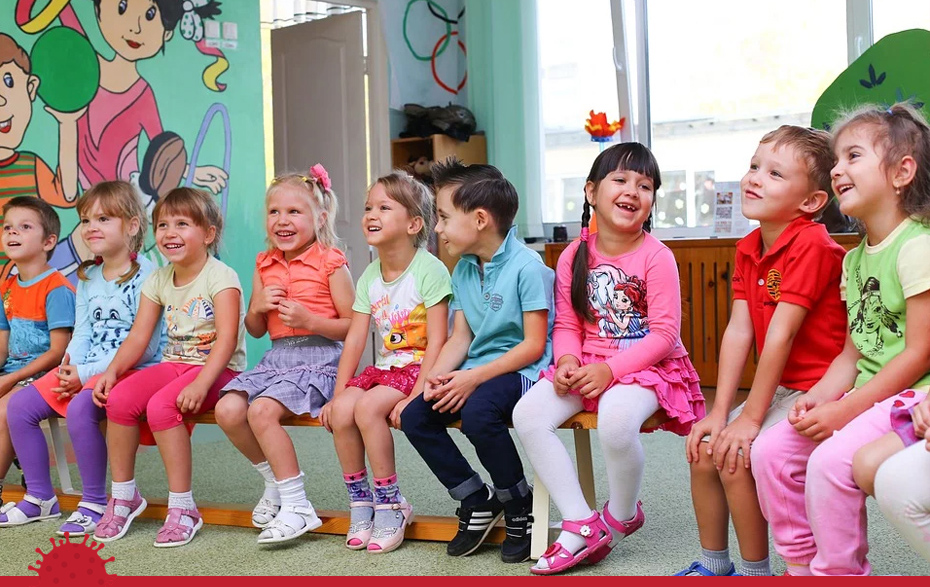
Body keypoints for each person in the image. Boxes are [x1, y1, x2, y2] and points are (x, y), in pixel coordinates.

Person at [752, 102, 930, 576]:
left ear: (901, 172)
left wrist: (846, 411)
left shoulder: (917, 246)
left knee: (830, 463)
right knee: (770, 451)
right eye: (835, 160)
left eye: (853, 156)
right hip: (867, 395)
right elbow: (852, 355)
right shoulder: (853, 261)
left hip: (912, 394)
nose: (836, 170)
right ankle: (800, 566)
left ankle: (839, 574)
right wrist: (818, 399)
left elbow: (918, 354)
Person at [513, 142, 704, 575]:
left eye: (645, 185)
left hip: (647, 366)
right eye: (620, 180)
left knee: (617, 422)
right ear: (591, 192)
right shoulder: (573, 255)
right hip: (587, 361)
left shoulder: (657, 256)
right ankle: (581, 521)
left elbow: (664, 335)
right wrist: (566, 361)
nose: (632, 190)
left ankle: (621, 514)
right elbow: (568, 324)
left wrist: (610, 370)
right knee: (528, 414)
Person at [676, 127, 847, 577]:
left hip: (820, 391)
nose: (754, 177)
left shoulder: (813, 244)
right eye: (754, 166)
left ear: (811, 201)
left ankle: (757, 573)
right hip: (782, 387)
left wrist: (750, 419)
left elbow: (781, 335)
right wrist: (719, 412)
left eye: (775, 173)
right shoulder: (749, 246)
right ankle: (715, 565)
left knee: (735, 456)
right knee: (705, 449)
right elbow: (739, 330)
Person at [400, 159, 554, 564]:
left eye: (444, 217)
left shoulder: (528, 268)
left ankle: (518, 503)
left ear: (480, 219)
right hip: (477, 371)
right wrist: (434, 380)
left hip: (523, 372)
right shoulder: (464, 269)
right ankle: (475, 498)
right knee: (416, 416)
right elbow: (461, 339)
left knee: (479, 413)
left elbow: (533, 346)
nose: (438, 228)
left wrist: (472, 379)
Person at [0, 181, 163, 533]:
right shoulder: (87, 276)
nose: (91, 228)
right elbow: (83, 331)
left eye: (103, 219)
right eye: (86, 220)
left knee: (79, 409)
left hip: (131, 369)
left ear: (132, 225)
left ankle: (94, 501)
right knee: (20, 406)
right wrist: (68, 367)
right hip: (86, 368)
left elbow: (145, 346)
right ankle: (40, 497)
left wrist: (85, 373)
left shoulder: (149, 275)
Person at [91, 187, 246, 547]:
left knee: (163, 405)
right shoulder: (159, 278)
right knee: (119, 399)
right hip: (176, 364)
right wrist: (112, 371)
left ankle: (183, 507)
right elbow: (138, 336)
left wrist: (201, 383)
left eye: (182, 224)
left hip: (219, 369)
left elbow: (226, 341)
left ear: (208, 234)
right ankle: (124, 495)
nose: (169, 233)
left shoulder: (221, 277)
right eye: (162, 225)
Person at [214, 165, 354, 544]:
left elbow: (354, 326)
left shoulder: (331, 262)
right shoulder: (264, 263)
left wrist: (312, 320)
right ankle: (274, 481)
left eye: (294, 211)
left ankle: (297, 505)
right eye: (274, 212)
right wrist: (257, 306)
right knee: (227, 410)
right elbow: (256, 329)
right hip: (276, 360)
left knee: (260, 411)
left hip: (320, 360)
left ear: (319, 218)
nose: (282, 220)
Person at [321, 170, 450, 554]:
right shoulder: (369, 276)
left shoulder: (429, 269)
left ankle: (391, 502)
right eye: (368, 208)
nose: (371, 215)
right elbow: (356, 338)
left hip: (419, 368)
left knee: (365, 409)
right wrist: (338, 393)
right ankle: (361, 501)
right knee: (343, 410)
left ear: (414, 224)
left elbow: (439, 340)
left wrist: (415, 395)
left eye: (383, 207)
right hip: (387, 369)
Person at [0, 197, 74, 507]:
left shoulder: (57, 289)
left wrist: (10, 379)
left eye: (24, 227)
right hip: (15, 372)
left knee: (4, 410)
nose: (12, 232)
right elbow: (3, 345)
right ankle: (21, 456)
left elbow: (58, 352)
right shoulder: (6, 287)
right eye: (7, 227)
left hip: (47, 374)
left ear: (48, 241)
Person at [0, 33, 80, 270]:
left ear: (31, 87)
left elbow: (67, 195)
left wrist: (68, 124)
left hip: (22, 278)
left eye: (8, 81)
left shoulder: (30, 165)